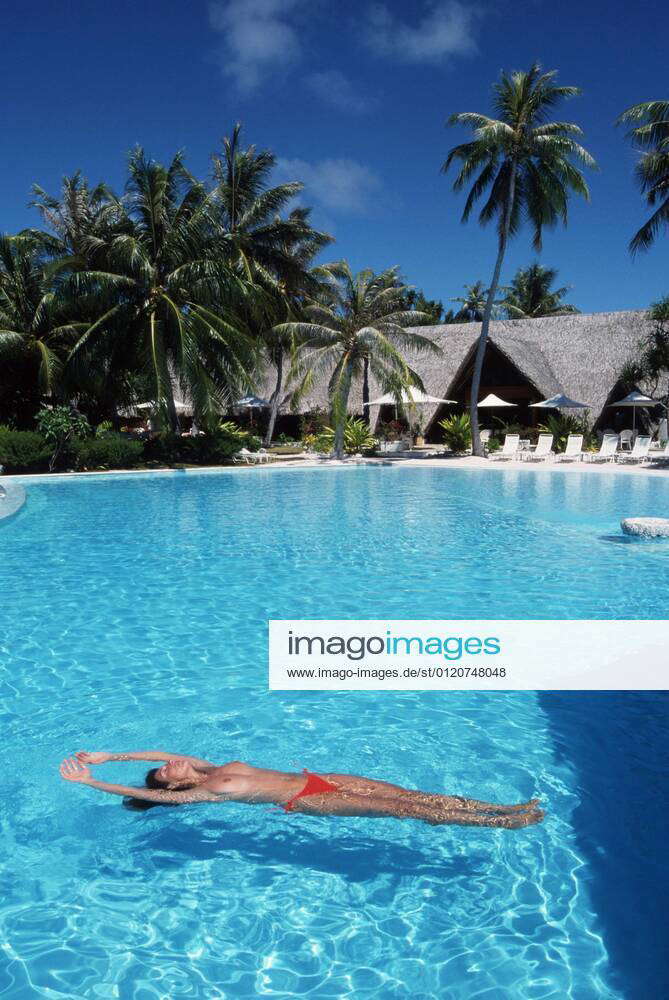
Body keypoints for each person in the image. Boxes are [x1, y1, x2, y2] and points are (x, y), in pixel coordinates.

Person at [60, 751, 544, 828]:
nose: (170, 762)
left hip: (323, 777)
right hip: (307, 799)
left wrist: (111, 753)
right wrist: (93, 781)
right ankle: (505, 823)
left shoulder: (210, 767)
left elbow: (157, 751)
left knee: (413, 793)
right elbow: (159, 796)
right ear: (177, 784)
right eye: (167, 769)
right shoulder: (201, 792)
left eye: (167, 763)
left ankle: (496, 808)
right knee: (403, 810)